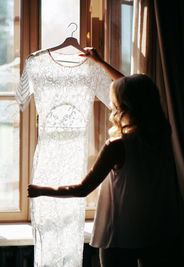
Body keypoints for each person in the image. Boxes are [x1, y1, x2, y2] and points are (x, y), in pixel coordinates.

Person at [27, 47, 183, 267]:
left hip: (119, 237)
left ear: (123, 106)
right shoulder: (163, 135)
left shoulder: (117, 146)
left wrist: (41, 190)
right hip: (157, 234)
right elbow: (135, 92)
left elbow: (82, 189)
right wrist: (100, 62)